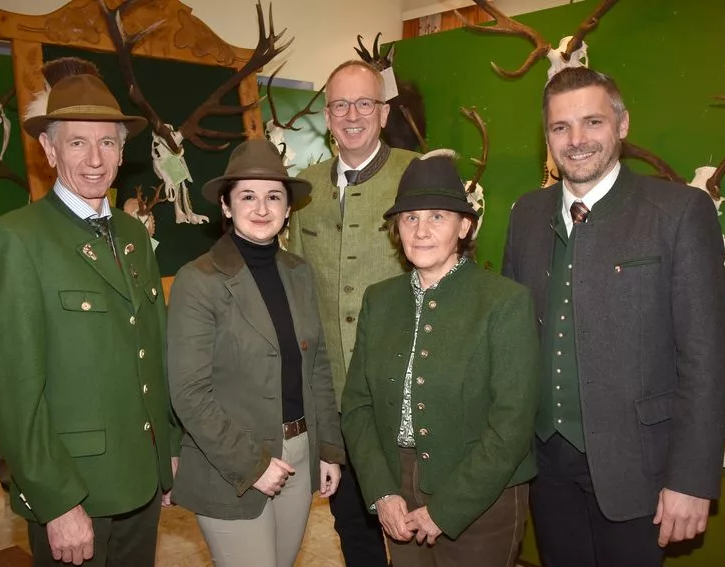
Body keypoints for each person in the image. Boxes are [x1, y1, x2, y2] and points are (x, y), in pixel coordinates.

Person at [501, 66, 725, 567]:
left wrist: (691, 480)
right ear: (547, 137)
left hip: (639, 468)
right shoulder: (525, 215)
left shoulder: (678, 212)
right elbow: (511, 342)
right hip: (545, 465)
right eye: (560, 128)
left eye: (593, 122)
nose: (577, 140)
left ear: (622, 124)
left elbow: (707, 358)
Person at [0, 57, 181, 567]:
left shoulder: (133, 235)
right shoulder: (14, 240)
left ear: (122, 149)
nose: (94, 159)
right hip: (75, 491)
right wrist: (57, 499)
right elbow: (10, 395)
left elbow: (153, 345)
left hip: (143, 477)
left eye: (107, 142)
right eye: (77, 142)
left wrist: (167, 447)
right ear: (48, 148)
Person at [341, 154, 540, 566]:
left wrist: (446, 508)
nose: (422, 230)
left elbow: (512, 424)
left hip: (484, 497)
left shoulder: (504, 301)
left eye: (437, 217)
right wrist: (381, 490)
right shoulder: (379, 300)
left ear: (464, 226)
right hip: (397, 487)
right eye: (410, 218)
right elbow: (357, 406)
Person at [167, 139, 345, 567]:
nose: (261, 208)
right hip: (233, 462)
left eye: (273, 197)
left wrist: (328, 449)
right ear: (226, 206)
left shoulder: (299, 273)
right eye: (248, 195)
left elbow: (316, 367)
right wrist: (252, 465)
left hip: (301, 452)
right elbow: (189, 393)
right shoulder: (199, 281)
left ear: (288, 209)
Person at [287, 59, 420, 566]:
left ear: (383, 113)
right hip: (334, 399)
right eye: (340, 105)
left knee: (412, 524)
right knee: (352, 526)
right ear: (326, 115)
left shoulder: (416, 173)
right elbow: (297, 285)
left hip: (403, 392)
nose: (352, 115)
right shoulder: (304, 189)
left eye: (365, 103)